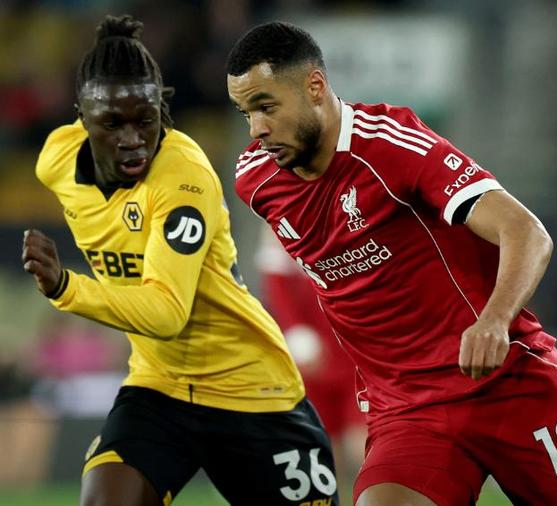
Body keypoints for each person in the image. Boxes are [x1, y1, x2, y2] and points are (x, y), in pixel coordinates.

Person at [226, 21, 557, 506]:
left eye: (267, 107)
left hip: (507, 383)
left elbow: (526, 232)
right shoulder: (257, 179)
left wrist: (494, 320)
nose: (256, 129)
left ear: (314, 87)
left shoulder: (392, 145)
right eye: (245, 112)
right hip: (409, 411)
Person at [22, 15, 338, 506]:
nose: (133, 138)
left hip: (252, 391)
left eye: (145, 119)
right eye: (113, 123)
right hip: (159, 389)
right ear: (82, 118)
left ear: (161, 110)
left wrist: (67, 287)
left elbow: (167, 314)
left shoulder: (182, 178)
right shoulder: (56, 160)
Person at [256, 227, 367, 502]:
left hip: (356, 352)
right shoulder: (279, 218)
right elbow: (274, 279)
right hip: (313, 358)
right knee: (325, 449)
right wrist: (295, 331)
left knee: (366, 444)